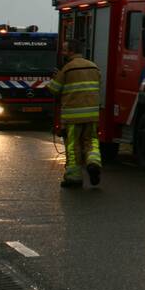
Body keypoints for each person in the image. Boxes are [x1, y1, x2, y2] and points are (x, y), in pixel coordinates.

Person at [46, 39, 102, 188]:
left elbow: (54, 89)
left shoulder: (67, 69)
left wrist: (53, 79)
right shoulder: (94, 67)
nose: (63, 53)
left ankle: (74, 177)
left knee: (72, 146)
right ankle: (94, 163)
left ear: (71, 52)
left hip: (72, 116)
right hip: (91, 114)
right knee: (91, 142)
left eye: (64, 50)